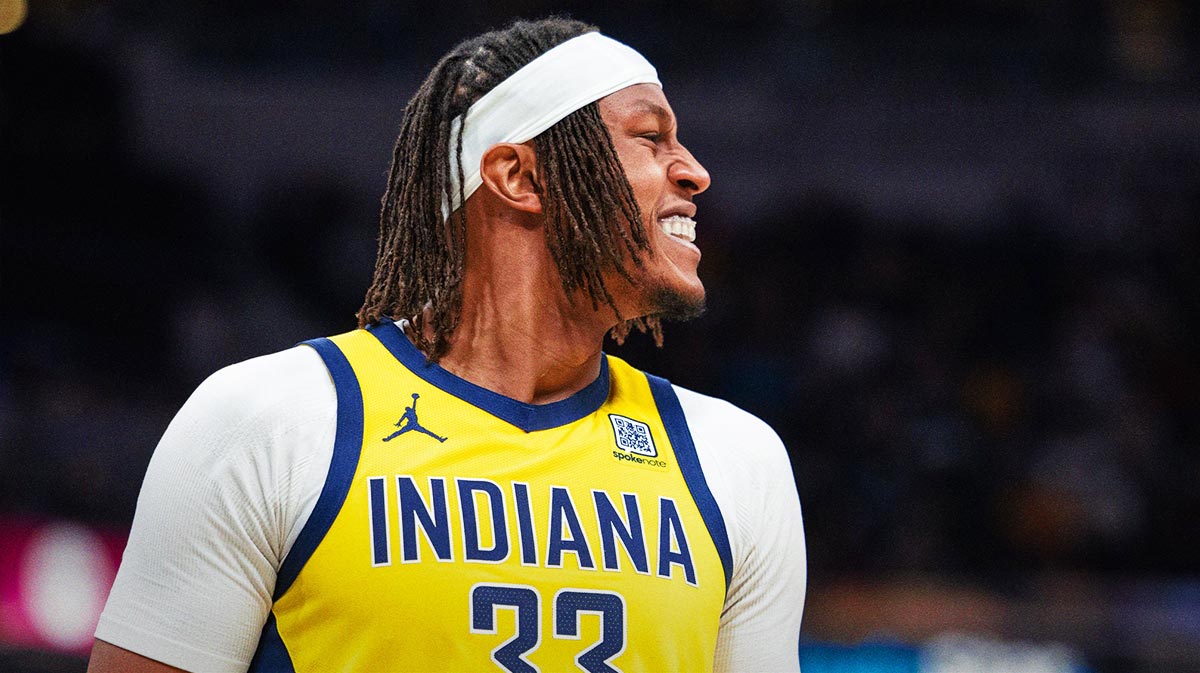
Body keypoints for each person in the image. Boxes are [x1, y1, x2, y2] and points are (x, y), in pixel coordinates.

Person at [89, 17, 806, 673]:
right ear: (519, 177)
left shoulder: (734, 459)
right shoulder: (272, 420)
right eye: (651, 137)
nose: (693, 170)